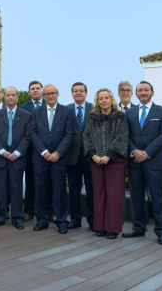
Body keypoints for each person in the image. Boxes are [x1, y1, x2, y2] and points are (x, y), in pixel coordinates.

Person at [123, 81, 162, 245]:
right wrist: (134, 151)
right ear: (136, 94)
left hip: (155, 163)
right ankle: (138, 228)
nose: (143, 92)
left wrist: (146, 153)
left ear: (152, 92)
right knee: (136, 196)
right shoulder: (129, 113)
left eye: (146, 90)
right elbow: (126, 136)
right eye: (140, 90)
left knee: (157, 198)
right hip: (134, 162)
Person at [83, 88, 129, 239]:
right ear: (97, 101)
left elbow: (122, 137)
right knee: (98, 193)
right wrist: (93, 155)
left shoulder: (120, 116)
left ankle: (113, 228)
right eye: (100, 98)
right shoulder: (92, 117)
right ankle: (100, 227)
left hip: (115, 162)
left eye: (106, 98)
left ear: (111, 99)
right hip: (96, 161)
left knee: (114, 195)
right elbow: (86, 136)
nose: (104, 100)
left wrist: (108, 155)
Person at [30, 84, 74, 234]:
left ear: (58, 94)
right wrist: (43, 152)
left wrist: (58, 153)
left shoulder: (66, 111)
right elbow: (33, 133)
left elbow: (69, 134)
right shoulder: (36, 112)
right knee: (40, 190)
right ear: (43, 96)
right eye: (47, 94)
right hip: (40, 158)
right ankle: (41, 220)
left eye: (52, 93)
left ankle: (61, 221)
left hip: (59, 159)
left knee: (59, 190)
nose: (50, 96)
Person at [0, 86, 32, 229]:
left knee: (16, 188)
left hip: (17, 158)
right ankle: (0, 216)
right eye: (8, 95)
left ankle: (17, 217)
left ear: (17, 97)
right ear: (4, 97)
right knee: (0, 189)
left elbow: (27, 136)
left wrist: (18, 152)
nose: (10, 97)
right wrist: (2, 151)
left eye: (13, 95)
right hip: (1, 157)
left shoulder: (26, 115)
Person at [66, 82, 94, 230]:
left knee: (91, 189)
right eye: (75, 91)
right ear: (72, 93)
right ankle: (75, 220)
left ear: (86, 93)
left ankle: (93, 221)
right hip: (72, 156)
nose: (78, 93)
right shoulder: (66, 109)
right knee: (74, 189)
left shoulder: (94, 109)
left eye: (81, 90)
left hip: (90, 156)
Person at [18, 80, 44, 221]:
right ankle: (29, 210)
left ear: (42, 90)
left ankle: (48, 211)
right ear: (29, 92)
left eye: (37, 88)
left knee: (47, 182)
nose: (35, 90)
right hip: (29, 150)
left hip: (46, 150)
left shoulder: (49, 105)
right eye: (32, 88)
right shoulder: (22, 108)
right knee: (30, 181)